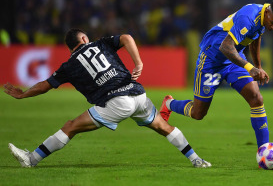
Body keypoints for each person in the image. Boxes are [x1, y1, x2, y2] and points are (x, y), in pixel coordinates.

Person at [5, 29, 211, 168]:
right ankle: (196, 160)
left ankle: (31, 159)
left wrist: (23, 94)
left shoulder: (69, 66)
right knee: (164, 127)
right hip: (138, 94)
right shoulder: (102, 44)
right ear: (84, 39)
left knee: (71, 127)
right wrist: (138, 63)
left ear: (70, 49)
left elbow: (45, 86)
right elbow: (127, 37)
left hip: (117, 102)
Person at [160, 0, 273, 167]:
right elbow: (225, 47)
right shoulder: (248, 18)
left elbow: (255, 38)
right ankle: (169, 104)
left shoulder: (264, 19)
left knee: (256, 99)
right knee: (198, 113)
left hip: (233, 62)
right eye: (272, 23)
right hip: (211, 61)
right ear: (267, 12)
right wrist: (250, 68)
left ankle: (265, 154)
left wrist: (258, 67)